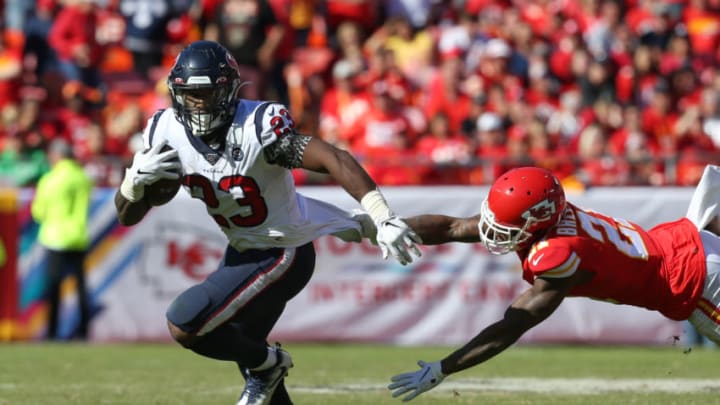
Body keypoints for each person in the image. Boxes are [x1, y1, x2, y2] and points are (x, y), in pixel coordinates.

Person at [114, 40, 421, 405]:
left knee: (186, 322)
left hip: (282, 250)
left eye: (208, 93)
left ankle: (269, 366)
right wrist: (131, 186)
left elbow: (333, 158)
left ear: (228, 90)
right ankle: (266, 371)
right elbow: (127, 215)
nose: (199, 104)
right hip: (244, 249)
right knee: (246, 347)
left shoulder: (257, 126)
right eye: (190, 95)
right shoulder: (165, 130)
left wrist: (382, 214)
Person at [387, 165, 720, 402]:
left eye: (507, 225)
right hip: (690, 241)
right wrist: (374, 225)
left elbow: (511, 326)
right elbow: (452, 228)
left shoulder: (559, 253)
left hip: (695, 278)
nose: (493, 231)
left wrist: (444, 368)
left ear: (536, 221)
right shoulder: (548, 217)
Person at [31, 138, 93, 340]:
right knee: (81, 287)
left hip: (55, 237)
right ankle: (84, 331)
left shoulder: (50, 179)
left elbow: (38, 212)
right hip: (78, 237)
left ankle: (52, 332)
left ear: (55, 156)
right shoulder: (82, 177)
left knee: (54, 288)